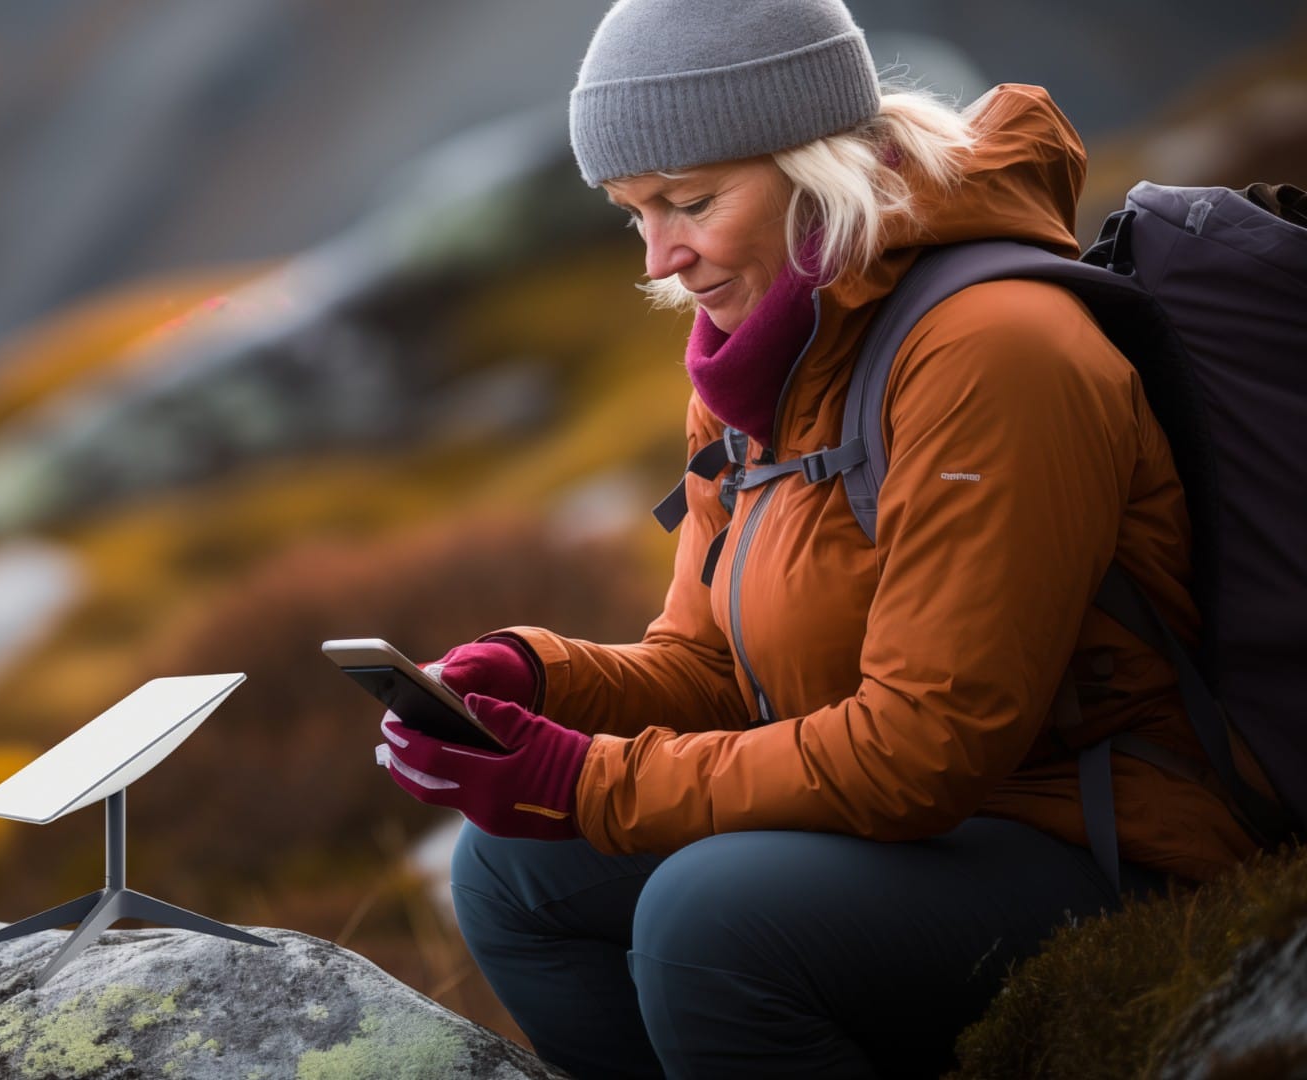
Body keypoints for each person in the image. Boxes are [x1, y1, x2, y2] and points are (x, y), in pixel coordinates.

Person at [371, 1, 1261, 1077]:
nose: (665, 257)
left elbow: (925, 750)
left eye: (691, 201)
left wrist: (588, 781)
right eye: (633, 213)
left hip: (1107, 840)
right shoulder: (762, 355)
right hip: (923, 827)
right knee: (508, 869)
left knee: (713, 923)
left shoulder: (999, 353)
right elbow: (711, 668)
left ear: (815, 160)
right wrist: (543, 679)